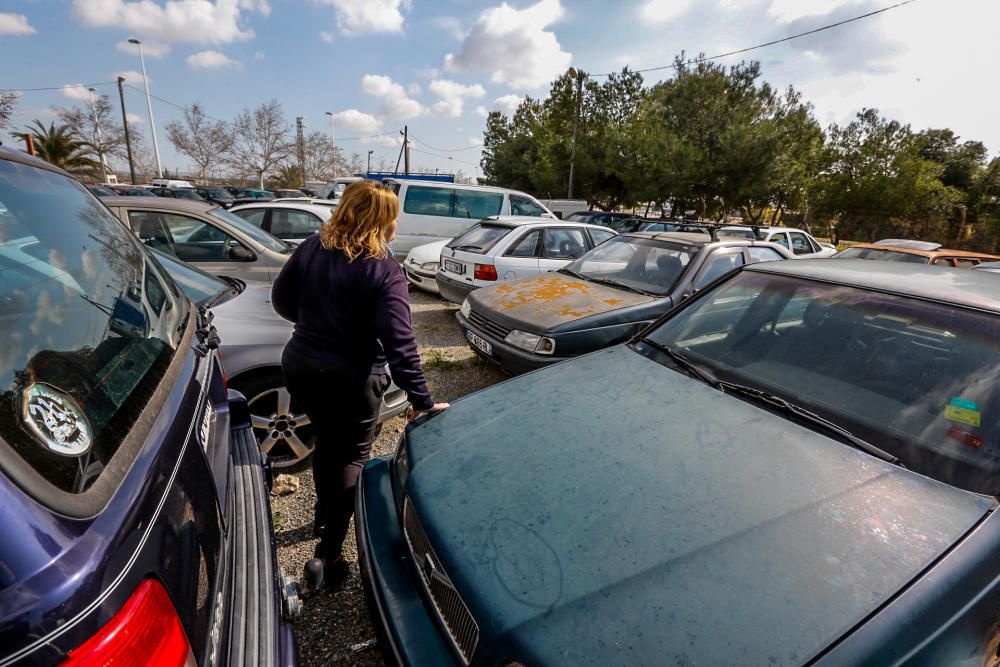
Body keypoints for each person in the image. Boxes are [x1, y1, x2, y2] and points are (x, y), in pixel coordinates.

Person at [271, 180, 447, 587]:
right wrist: (423, 401)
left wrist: (315, 324)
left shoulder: (313, 247)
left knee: (326, 443)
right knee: (350, 457)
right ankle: (328, 557)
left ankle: (322, 516)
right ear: (381, 221)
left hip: (300, 363)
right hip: (350, 378)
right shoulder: (384, 270)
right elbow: (401, 344)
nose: (398, 223)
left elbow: (282, 300)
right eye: (394, 216)